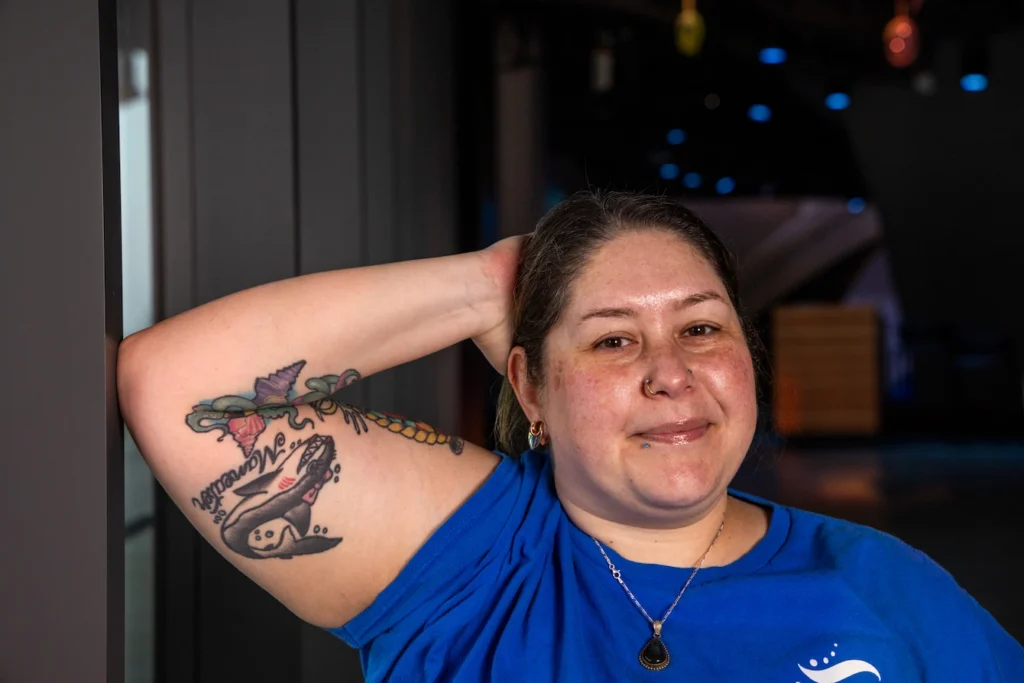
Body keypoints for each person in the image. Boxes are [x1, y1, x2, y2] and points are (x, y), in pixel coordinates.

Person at [118, 191, 1023, 682]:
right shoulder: (469, 563)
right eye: (613, 339)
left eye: (702, 327)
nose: (671, 372)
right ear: (530, 387)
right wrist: (490, 282)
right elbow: (177, 387)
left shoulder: (887, 585)